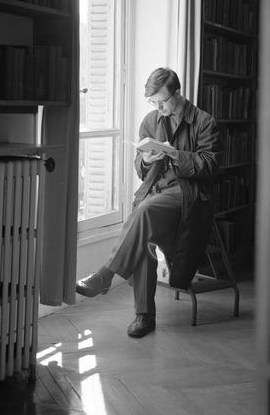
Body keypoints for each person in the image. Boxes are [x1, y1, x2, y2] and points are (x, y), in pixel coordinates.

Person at [75, 67, 221, 337]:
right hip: (157, 193)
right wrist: (146, 160)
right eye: (153, 102)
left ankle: (106, 275)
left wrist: (176, 155)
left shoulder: (204, 121)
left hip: (187, 195)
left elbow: (211, 164)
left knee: (145, 211)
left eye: (162, 101)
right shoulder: (151, 120)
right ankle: (144, 316)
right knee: (144, 231)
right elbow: (141, 169)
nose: (158, 107)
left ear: (178, 93)